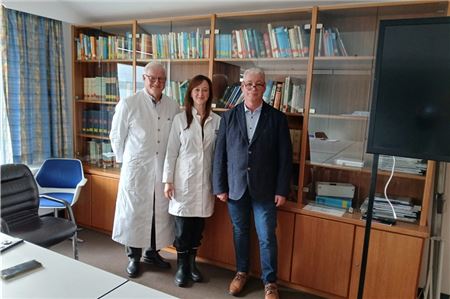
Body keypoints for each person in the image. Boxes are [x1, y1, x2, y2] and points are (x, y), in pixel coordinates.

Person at [212, 68, 292, 299]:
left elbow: (285, 158)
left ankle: (270, 283)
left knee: (266, 236)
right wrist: (220, 186)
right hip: (236, 187)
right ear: (242, 86)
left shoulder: (277, 119)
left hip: (266, 190)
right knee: (240, 232)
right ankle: (241, 272)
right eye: (249, 84)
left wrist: (281, 189)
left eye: (258, 84)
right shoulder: (228, 117)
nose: (253, 89)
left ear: (264, 87)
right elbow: (220, 155)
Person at [109, 62, 180, 278]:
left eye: (161, 79)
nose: (157, 83)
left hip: (161, 170)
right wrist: (127, 162)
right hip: (136, 170)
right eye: (153, 78)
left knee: (158, 213)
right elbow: (116, 136)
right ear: (144, 78)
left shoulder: (172, 105)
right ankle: (133, 258)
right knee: (134, 214)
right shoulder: (129, 104)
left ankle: (152, 253)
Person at [162, 75, 221, 287]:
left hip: (205, 182)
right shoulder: (180, 119)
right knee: (182, 228)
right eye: (196, 90)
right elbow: (171, 152)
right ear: (190, 93)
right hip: (182, 182)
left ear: (209, 94)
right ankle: (181, 267)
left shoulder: (217, 121)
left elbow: (219, 154)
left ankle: (192, 264)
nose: (200, 94)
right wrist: (168, 180)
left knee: (197, 228)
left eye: (204, 90)